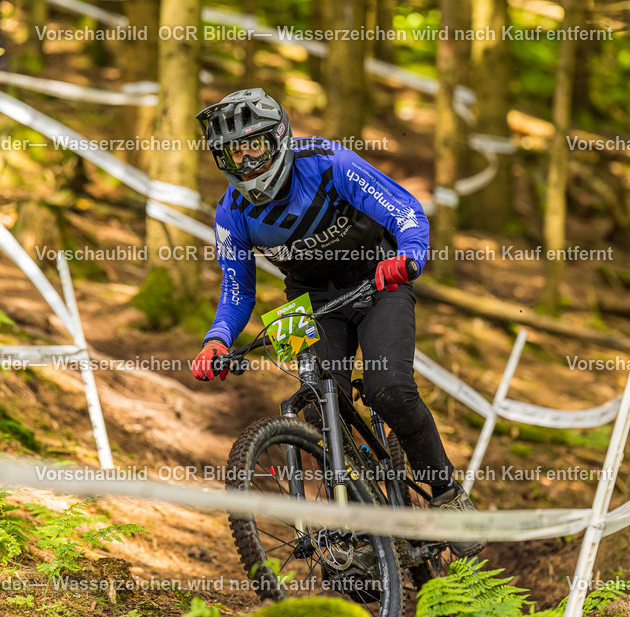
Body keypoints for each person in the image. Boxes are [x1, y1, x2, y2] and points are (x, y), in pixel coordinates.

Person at [190, 88, 485, 557]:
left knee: (390, 388)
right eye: (233, 152)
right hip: (305, 300)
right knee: (314, 408)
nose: (246, 162)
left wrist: (408, 257)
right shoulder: (230, 213)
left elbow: (407, 211)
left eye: (255, 147)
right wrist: (217, 340)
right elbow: (237, 290)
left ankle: (448, 495)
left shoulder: (329, 162)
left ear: (279, 138)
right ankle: (364, 523)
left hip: (376, 279)